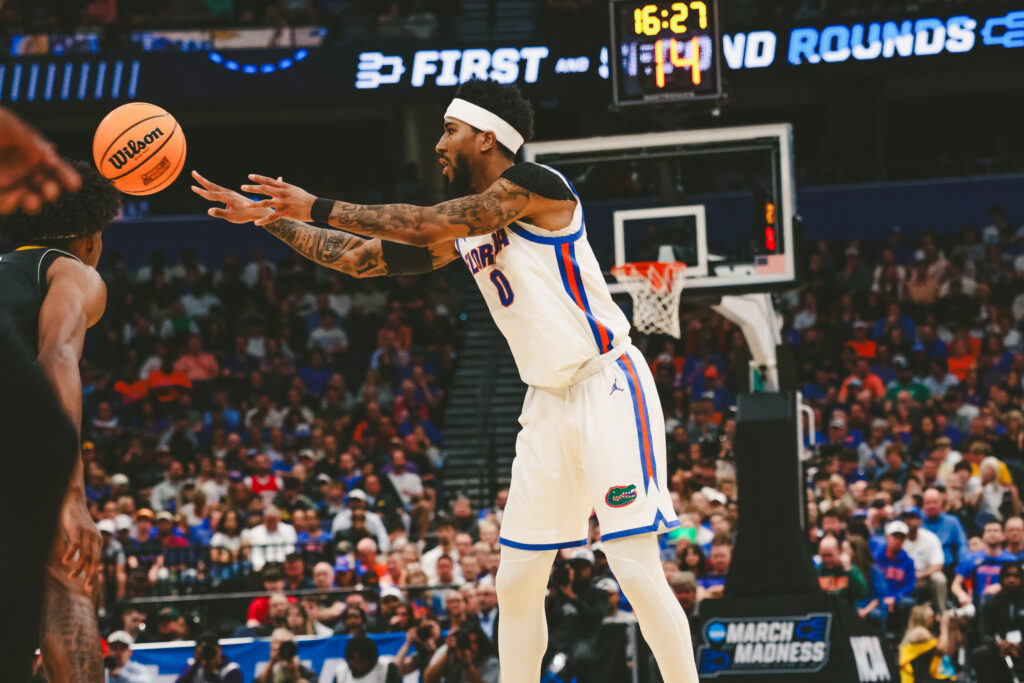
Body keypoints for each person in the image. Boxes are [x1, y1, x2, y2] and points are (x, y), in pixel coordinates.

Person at [195, 77, 697, 681]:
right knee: (516, 582)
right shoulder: (468, 228)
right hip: (546, 402)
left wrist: (315, 204)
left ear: (486, 137)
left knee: (633, 566)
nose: (438, 144)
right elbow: (357, 259)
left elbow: (422, 223)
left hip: (606, 384)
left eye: (450, 130)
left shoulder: (538, 185)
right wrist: (270, 217)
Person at [0, 160, 120, 681]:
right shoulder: (71, 271)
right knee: (66, 575)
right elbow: (56, 358)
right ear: (90, 238)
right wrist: (70, 497)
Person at [973, 562, 1024, 683]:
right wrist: (999, 644)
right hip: (999, 648)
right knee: (981, 652)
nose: (1012, 580)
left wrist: (1020, 646)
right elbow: (985, 632)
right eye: (1008, 576)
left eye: (1016, 576)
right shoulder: (992, 603)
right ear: (1001, 579)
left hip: (1021, 647)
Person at [952, 520, 1016, 610]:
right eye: (988, 531)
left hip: (1004, 605)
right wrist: (961, 595)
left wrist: (1002, 586)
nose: (992, 534)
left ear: (1003, 535)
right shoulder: (971, 558)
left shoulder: (1011, 560)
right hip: (977, 606)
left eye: (996, 531)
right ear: (983, 536)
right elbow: (955, 584)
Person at [423, 622, 500, 683]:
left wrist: (467, 663)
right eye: (468, 643)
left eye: (475, 642)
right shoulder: (453, 656)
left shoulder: (491, 663)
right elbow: (428, 680)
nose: (472, 647)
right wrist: (448, 653)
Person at [897, 606, 957, 682]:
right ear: (924, 617)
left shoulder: (917, 632)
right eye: (932, 616)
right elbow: (942, 648)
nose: (935, 618)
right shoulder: (919, 632)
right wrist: (944, 625)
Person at [174, 632, 243, 682]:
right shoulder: (193, 666)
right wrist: (195, 665)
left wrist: (212, 672)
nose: (207, 654)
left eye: (209, 651)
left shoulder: (231, 670)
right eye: (203, 652)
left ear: (219, 650)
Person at [334, 635, 402, 682]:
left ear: (371, 660)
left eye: (361, 661)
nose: (358, 665)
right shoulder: (341, 672)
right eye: (353, 660)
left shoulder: (386, 668)